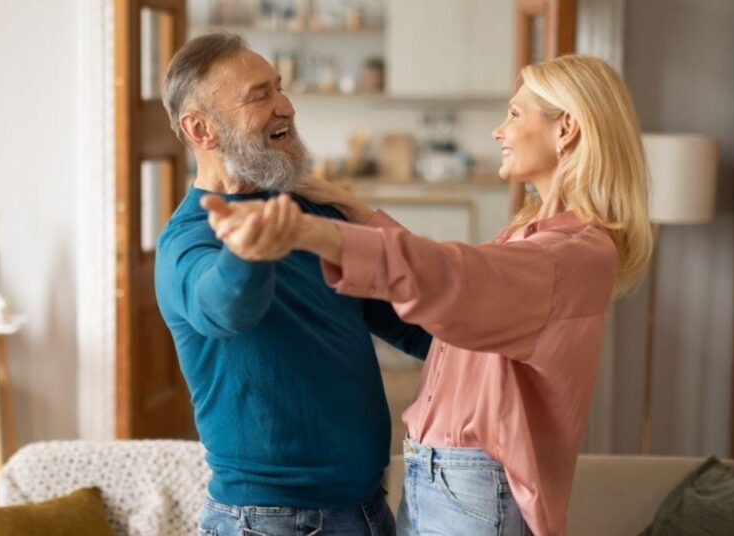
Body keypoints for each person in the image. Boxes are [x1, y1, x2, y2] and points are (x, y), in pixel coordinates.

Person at [204, 54, 653, 536]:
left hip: (471, 485)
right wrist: (352, 208)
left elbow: (456, 278)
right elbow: (452, 274)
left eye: (515, 115)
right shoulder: (539, 235)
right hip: (442, 477)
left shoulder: (572, 252)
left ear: (566, 130)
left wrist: (313, 232)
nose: (499, 132)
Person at [155, 32, 431, 535]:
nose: (285, 106)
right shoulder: (188, 241)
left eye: (279, 88)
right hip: (270, 522)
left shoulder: (311, 210)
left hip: (369, 509)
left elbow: (415, 323)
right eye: (259, 95)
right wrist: (247, 253)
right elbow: (223, 307)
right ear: (201, 129)